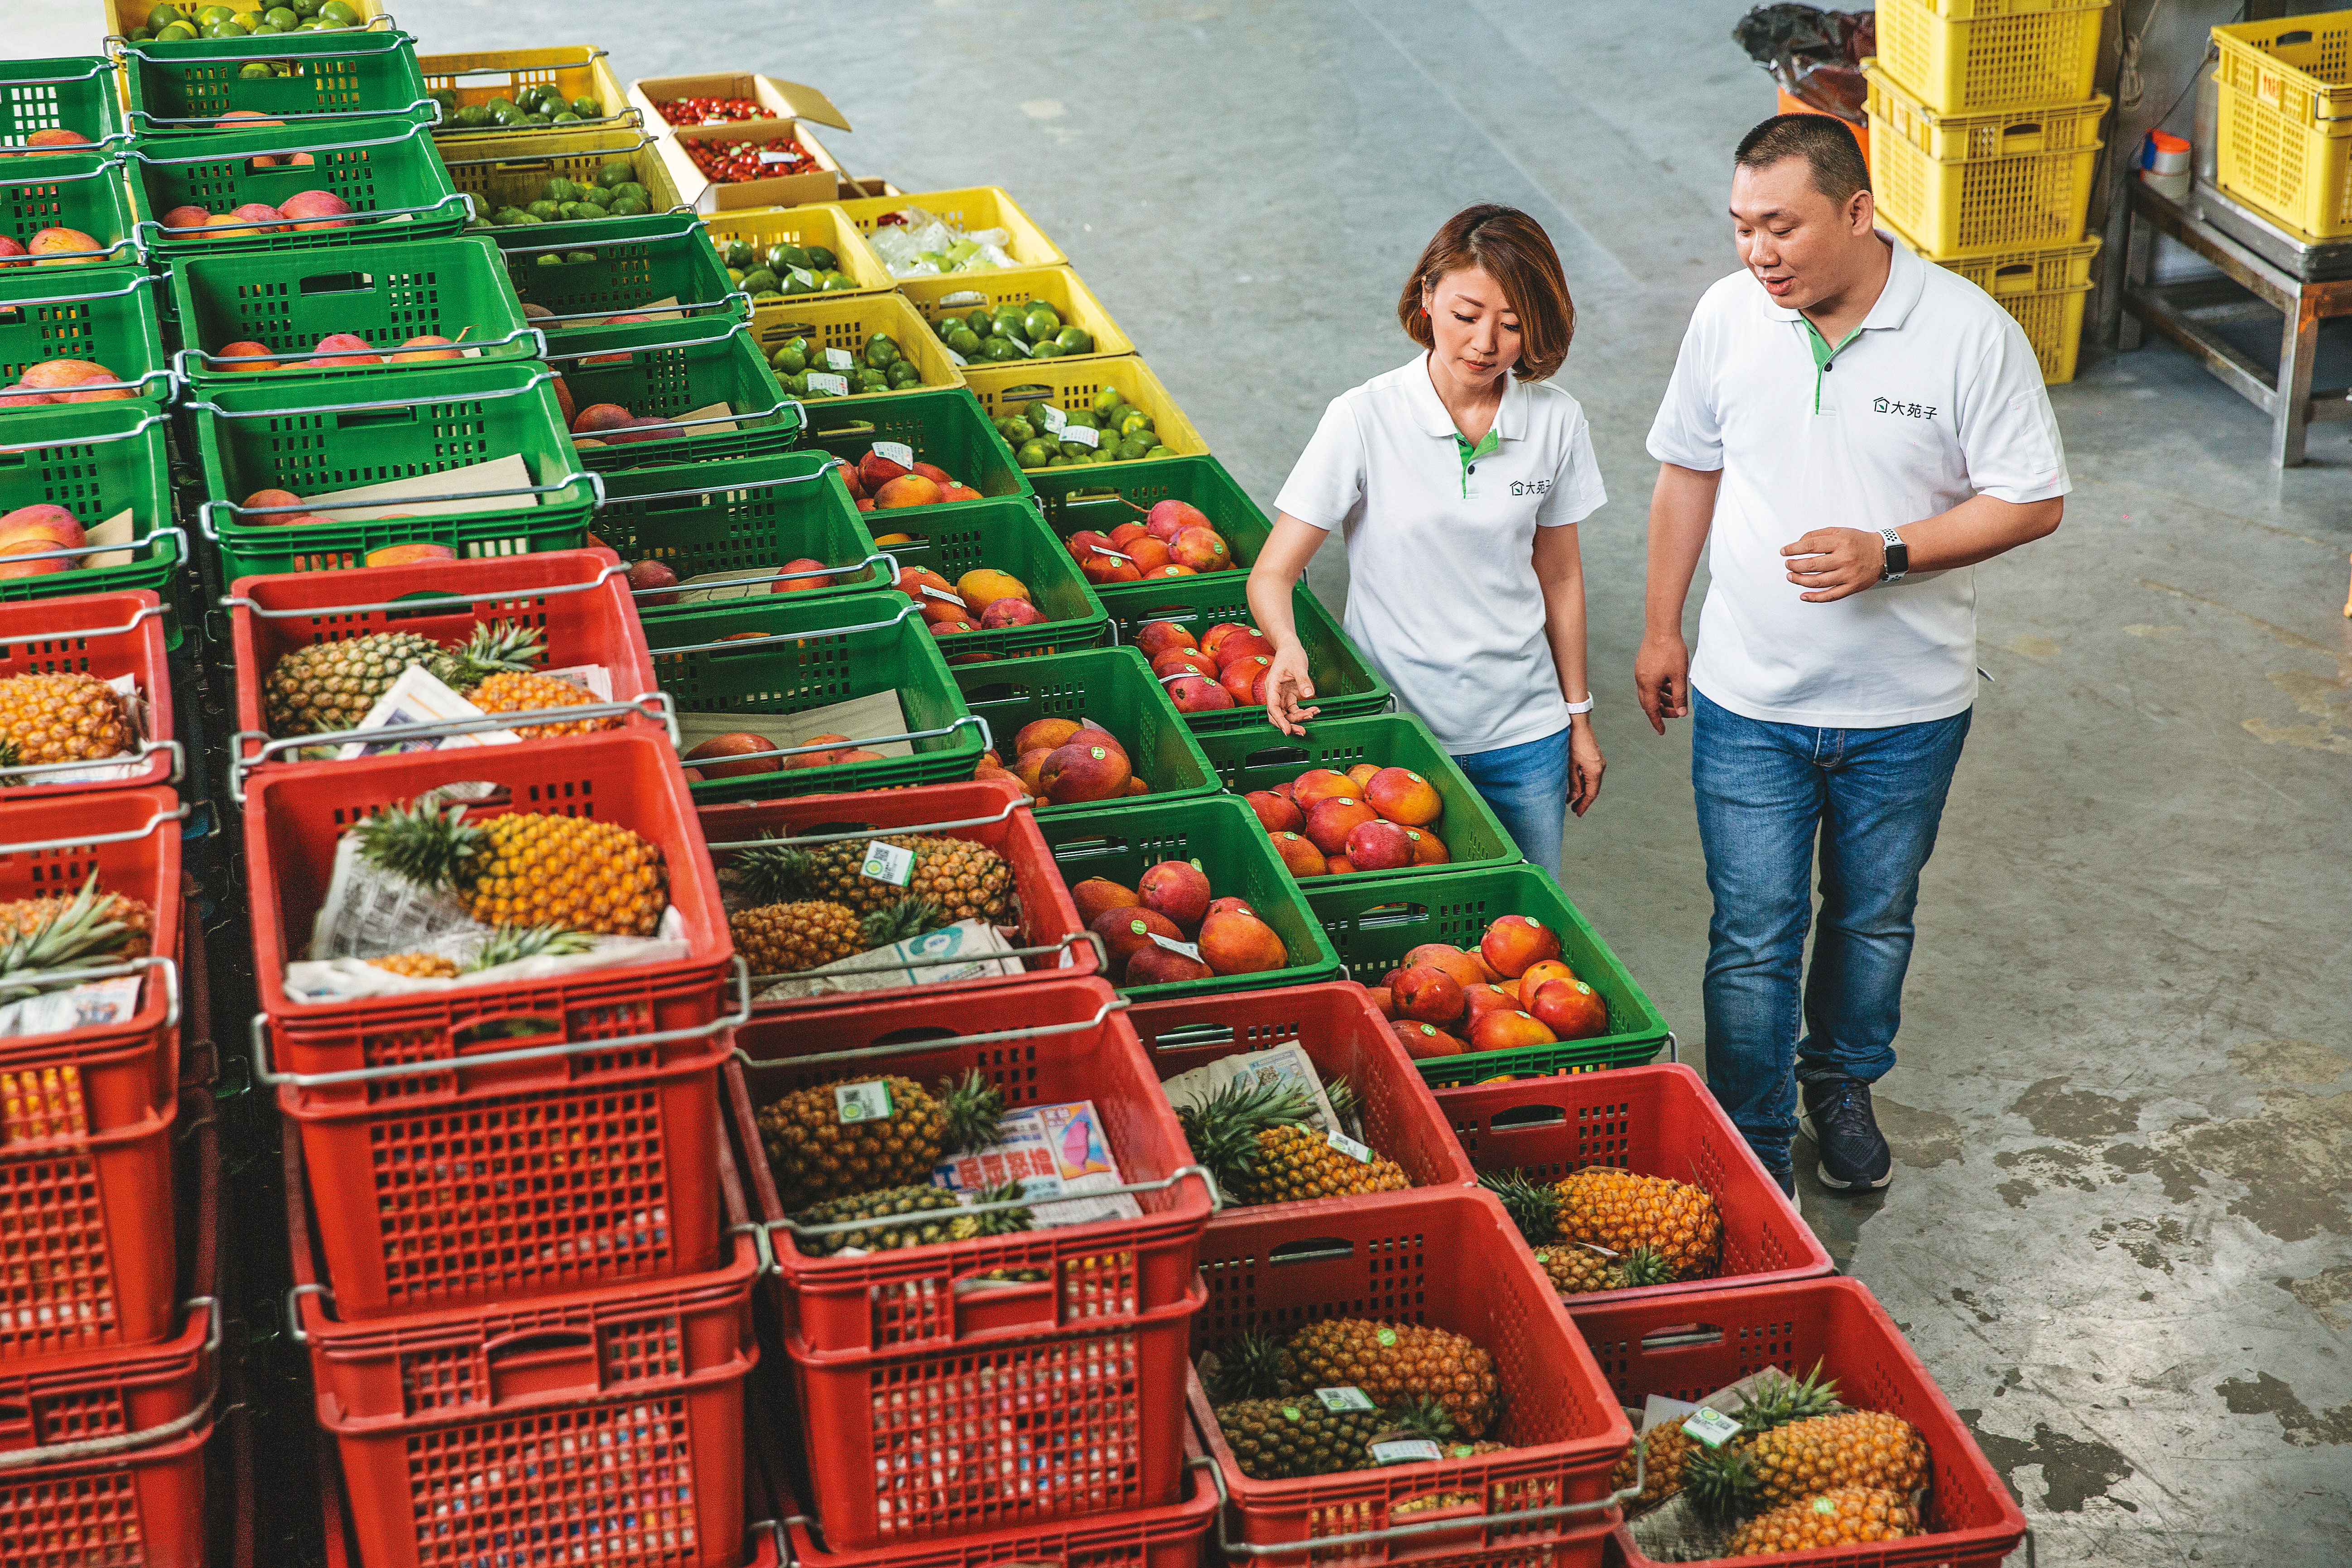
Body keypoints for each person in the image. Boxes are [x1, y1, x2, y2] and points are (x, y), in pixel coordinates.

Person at [1637, 115, 2067, 1197]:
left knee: (1871, 918)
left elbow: (2031, 498)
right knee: (1751, 934)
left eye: (1780, 227)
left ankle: (1837, 1080)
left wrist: (1891, 553)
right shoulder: (1728, 318)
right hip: (1748, 698)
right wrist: (1659, 624)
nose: (1757, 254)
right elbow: (1687, 469)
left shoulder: (1967, 333)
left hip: (1904, 708)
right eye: (1741, 228)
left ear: (1859, 212)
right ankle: (1749, 1134)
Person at [1246, 204, 1607, 878]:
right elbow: (1272, 572)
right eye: (1466, 315)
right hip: (1397, 735)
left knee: (1522, 929)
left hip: (1523, 735)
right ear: (1427, 295)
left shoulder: (1556, 422)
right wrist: (1287, 645)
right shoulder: (1364, 417)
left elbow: (1559, 577)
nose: (1485, 343)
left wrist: (1577, 717)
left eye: (1512, 323)